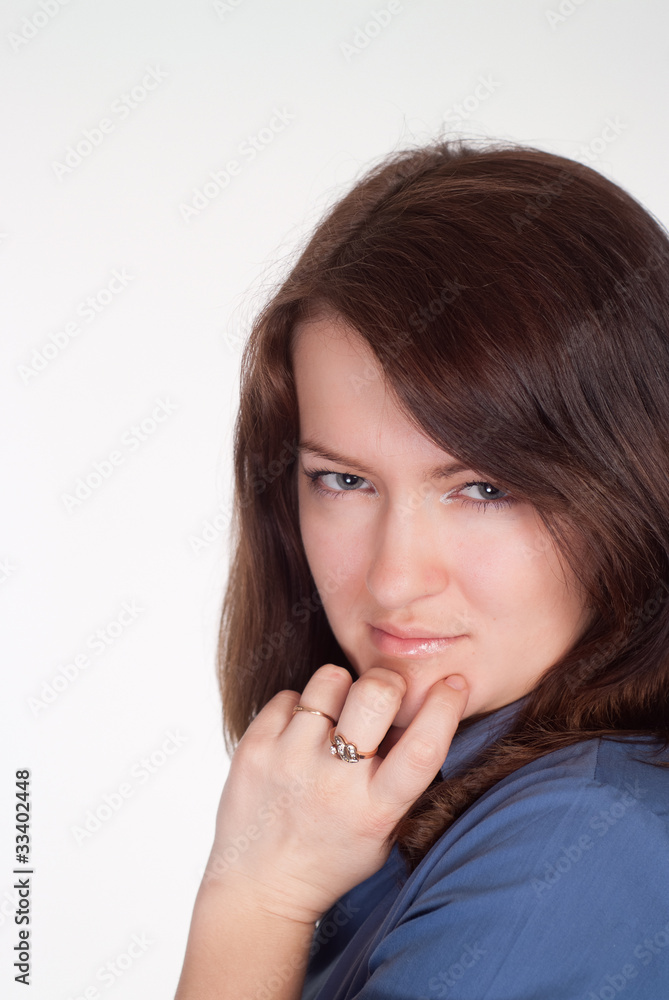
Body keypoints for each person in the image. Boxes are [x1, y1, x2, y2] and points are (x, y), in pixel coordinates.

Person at [174, 138, 669, 999]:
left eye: (484, 487)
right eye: (343, 480)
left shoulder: (577, 842)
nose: (394, 580)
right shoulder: (427, 793)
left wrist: (254, 902)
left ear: (631, 479)